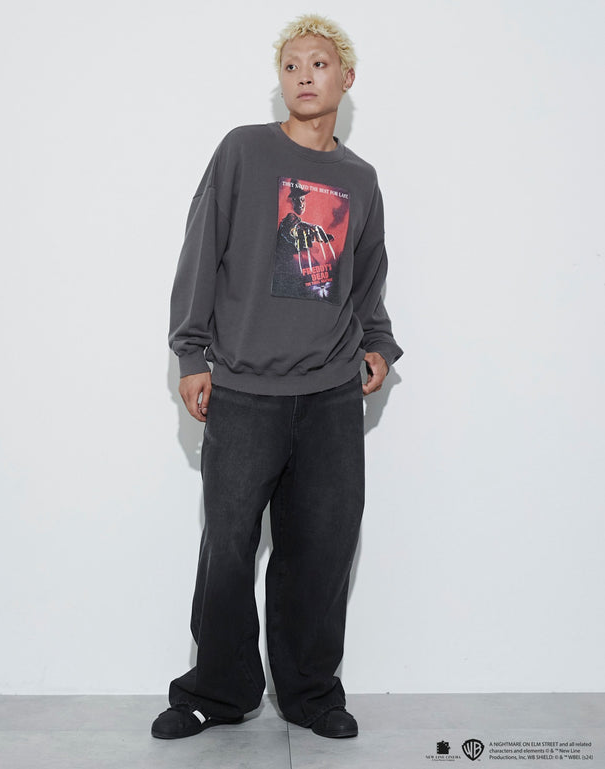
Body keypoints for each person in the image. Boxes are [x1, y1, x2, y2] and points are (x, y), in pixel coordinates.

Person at [152, 14, 403, 741]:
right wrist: (191, 354)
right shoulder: (243, 151)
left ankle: (311, 693)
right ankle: (216, 691)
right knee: (228, 548)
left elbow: (367, 275)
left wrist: (378, 344)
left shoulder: (360, 179)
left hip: (329, 394)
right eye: (290, 65)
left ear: (344, 78)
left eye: (317, 63)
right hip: (243, 389)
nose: (302, 75)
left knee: (321, 549)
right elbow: (201, 250)